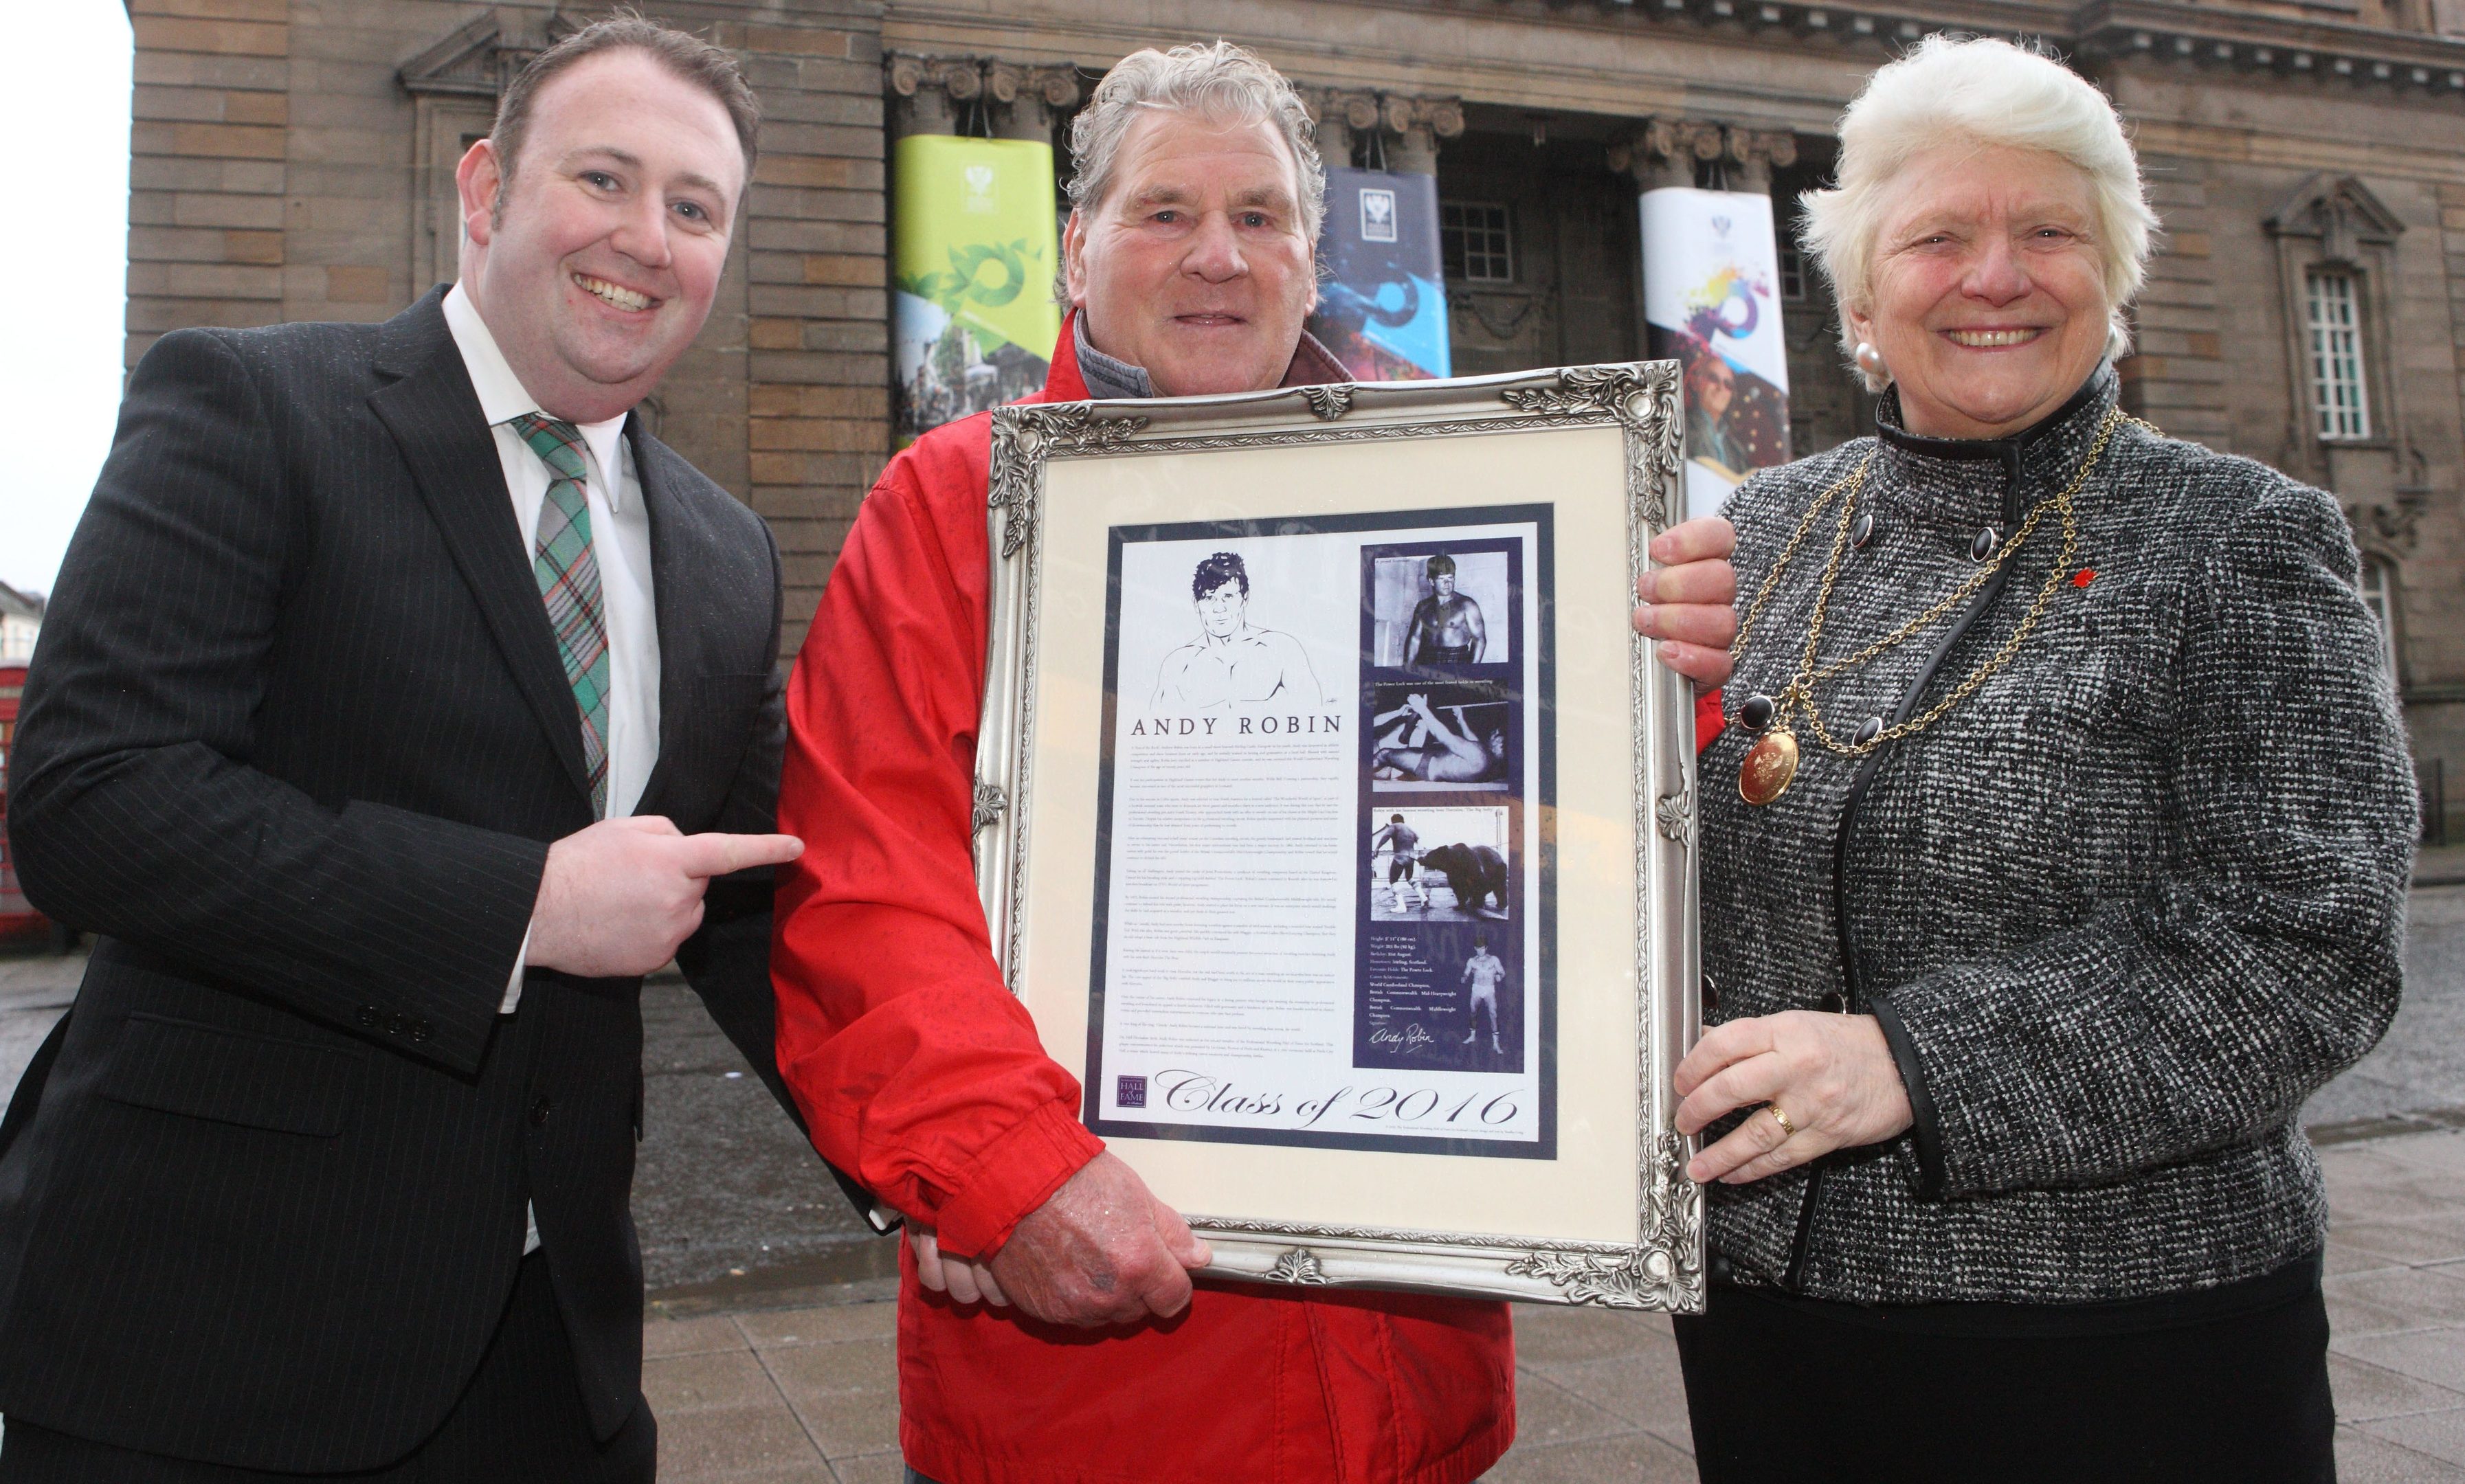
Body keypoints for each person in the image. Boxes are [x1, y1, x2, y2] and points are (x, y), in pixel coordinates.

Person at [768, 41, 1739, 1484]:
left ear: (1311, 254)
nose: (1216, 256)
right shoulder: (948, 506)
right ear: (1073, 245)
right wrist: (1004, 1176)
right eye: (1163, 211)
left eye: (1260, 215)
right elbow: (862, 895)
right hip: (1088, 1384)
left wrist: (1672, 679)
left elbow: (1573, 848)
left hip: (1401, 1371)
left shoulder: (1463, 498)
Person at [0, 19, 827, 1481]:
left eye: (693, 208)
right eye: (604, 178)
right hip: (201, 1343)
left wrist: (966, 1178)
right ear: (487, 190)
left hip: (549, 1347)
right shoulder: (249, 405)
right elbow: (94, 801)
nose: (646, 236)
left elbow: (765, 916)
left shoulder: (725, 546)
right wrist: (524, 907)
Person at [1664, 36, 2416, 1483]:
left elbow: (2303, 951)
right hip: (1776, 1326)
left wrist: (1920, 1061)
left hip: (2120, 1339)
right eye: (1937, 236)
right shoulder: (1750, 538)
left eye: (2046, 233)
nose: (1992, 276)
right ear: (1861, 295)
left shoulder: (2239, 540)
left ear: (2109, 273)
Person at [1148, 550, 1324, 712]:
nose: (1219, 609)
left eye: (1228, 597)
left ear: (1244, 598)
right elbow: (1156, 728)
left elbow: (1316, 716)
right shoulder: (1178, 665)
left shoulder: (1281, 650)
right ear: (1196, 604)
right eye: (1209, 598)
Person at [1371, 692, 1506, 784]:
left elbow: (1444, 737)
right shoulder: (1487, 761)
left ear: (1500, 744)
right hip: (1428, 763)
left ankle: (1360, 776)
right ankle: (1393, 768)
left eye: (1495, 736)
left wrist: (1423, 709)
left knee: (1384, 754)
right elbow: (1473, 741)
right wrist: (1460, 718)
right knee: (1417, 730)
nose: (1492, 736)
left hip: (1425, 764)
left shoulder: (1479, 754)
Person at [1404, 553, 1487, 664]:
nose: (1447, 583)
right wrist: (1408, 667)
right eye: (1441, 579)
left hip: (1457, 659)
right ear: (1431, 581)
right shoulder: (1423, 606)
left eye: (1450, 578)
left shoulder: (1467, 605)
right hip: (1427, 659)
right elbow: (1415, 638)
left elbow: (1480, 639)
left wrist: (1472, 670)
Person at [1683, 350, 1745, 478]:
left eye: (1728, 385)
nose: (1721, 388)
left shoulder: (1736, 449)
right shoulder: (1680, 429)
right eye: (1713, 378)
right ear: (1695, 383)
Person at [1371, 812, 1429, 913]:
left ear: (1393, 820)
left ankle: (1401, 906)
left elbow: (1386, 836)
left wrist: (1377, 848)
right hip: (1411, 858)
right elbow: (1419, 840)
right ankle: (1423, 898)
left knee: (1393, 880)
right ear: (1403, 820)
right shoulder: (1410, 829)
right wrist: (1420, 854)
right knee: (1410, 878)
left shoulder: (1394, 826)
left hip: (1400, 857)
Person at [1461, 936, 1505, 1054]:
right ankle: (1472, 1036)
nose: (1480, 951)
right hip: (1477, 989)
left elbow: (1502, 972)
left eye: (1482, 948)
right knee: (1473, 1012)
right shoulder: (1472, 961)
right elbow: (1466, 973)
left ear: (1486, 948)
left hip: (1489, 989)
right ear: (1475, 948)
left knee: (1493, 1014)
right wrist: (1464, 978)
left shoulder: (1494, 960)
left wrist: (1500, 976)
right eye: (1478, 948)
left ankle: (1496, 1043)